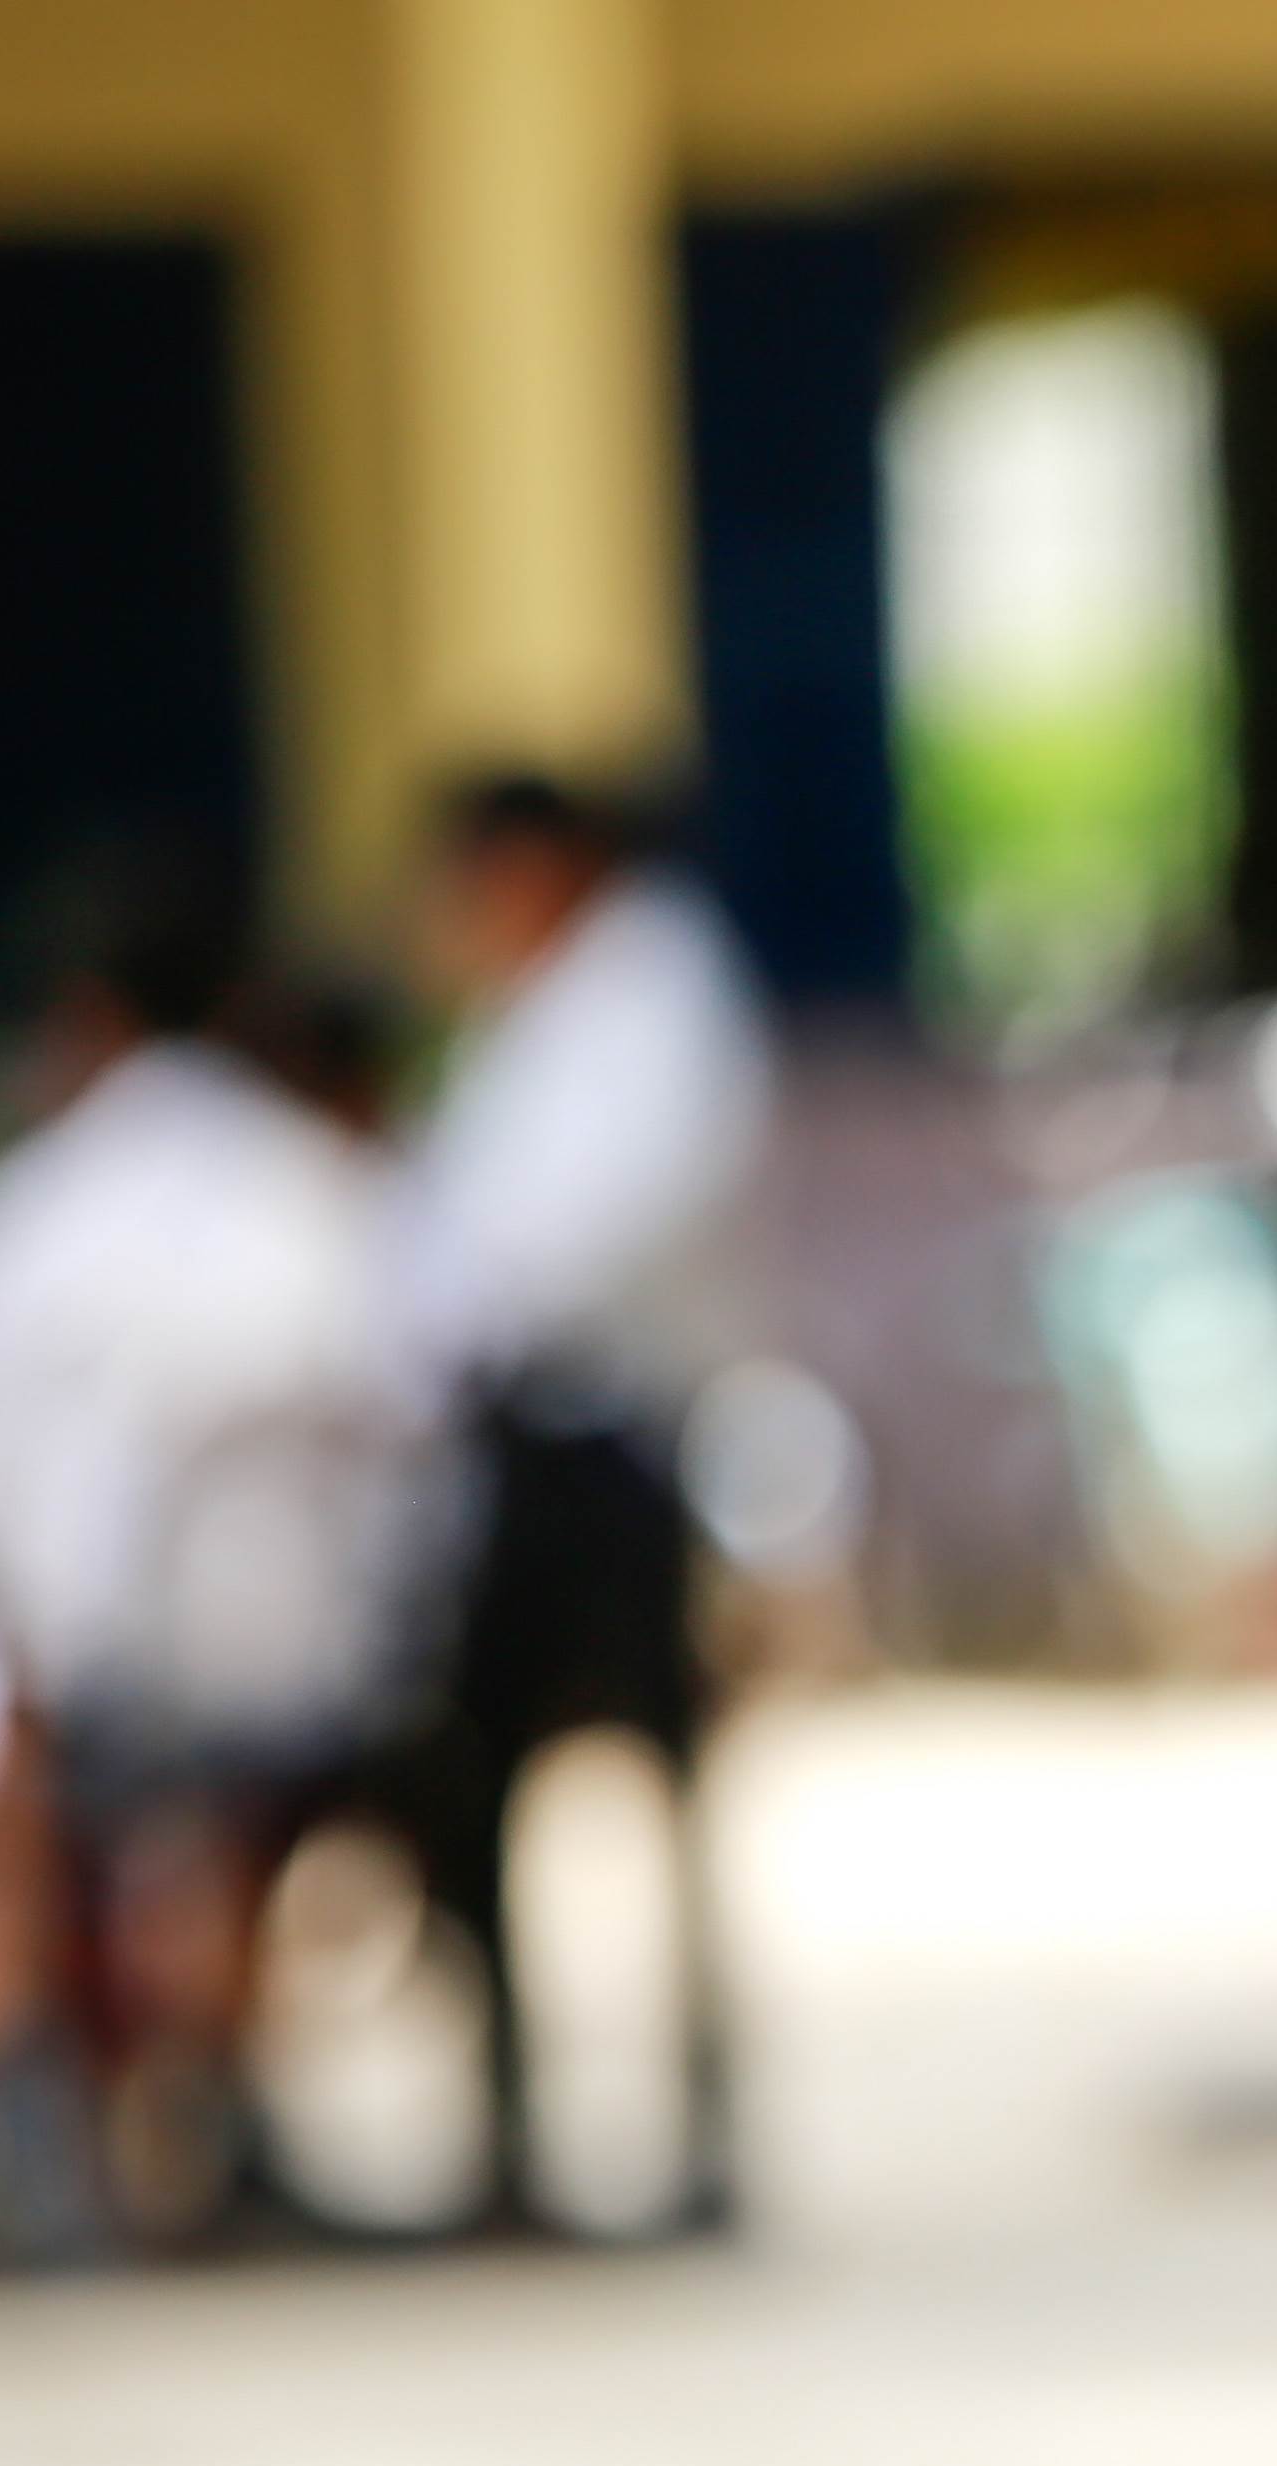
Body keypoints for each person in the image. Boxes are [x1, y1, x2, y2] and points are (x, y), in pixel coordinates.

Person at [0, 838, 418, 2241]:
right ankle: (209, 2095)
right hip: (306, 1668)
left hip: (100, 1676)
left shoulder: (25, 1217)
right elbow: (408, 1436)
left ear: (79, 1020)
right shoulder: (321, 1194)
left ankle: (11, 2084)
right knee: (212, 1768)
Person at [384, 770, 773, 2233]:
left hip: (604, 1443)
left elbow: (557, 1253)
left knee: (658, 1795)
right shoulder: (547, 1014)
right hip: (519, 1441)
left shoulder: (656, 999)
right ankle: (512, 2133)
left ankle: (694, 2132)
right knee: (484, 1793)